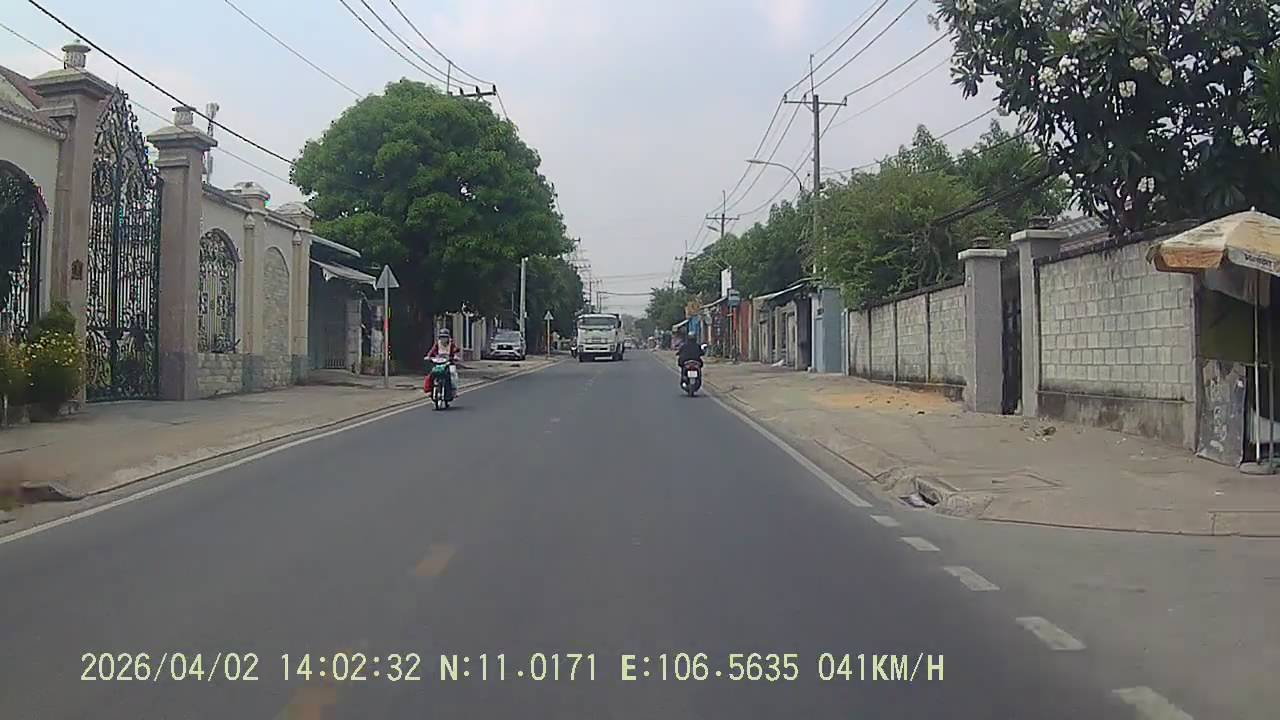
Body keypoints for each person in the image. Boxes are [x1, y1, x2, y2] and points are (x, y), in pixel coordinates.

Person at [425, 328, 461, 398]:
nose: (443, 339)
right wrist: (428, 356)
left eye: (445, 337)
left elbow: (455, 351)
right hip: (438, 363)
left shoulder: (451, 344)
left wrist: (455, 357)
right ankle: (429, 390)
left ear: (448, 338)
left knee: (453, 375)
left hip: (449, 363)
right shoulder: (437, 344)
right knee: (431, 374)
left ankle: (454, 391)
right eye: (442, 337)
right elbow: (432, 351)